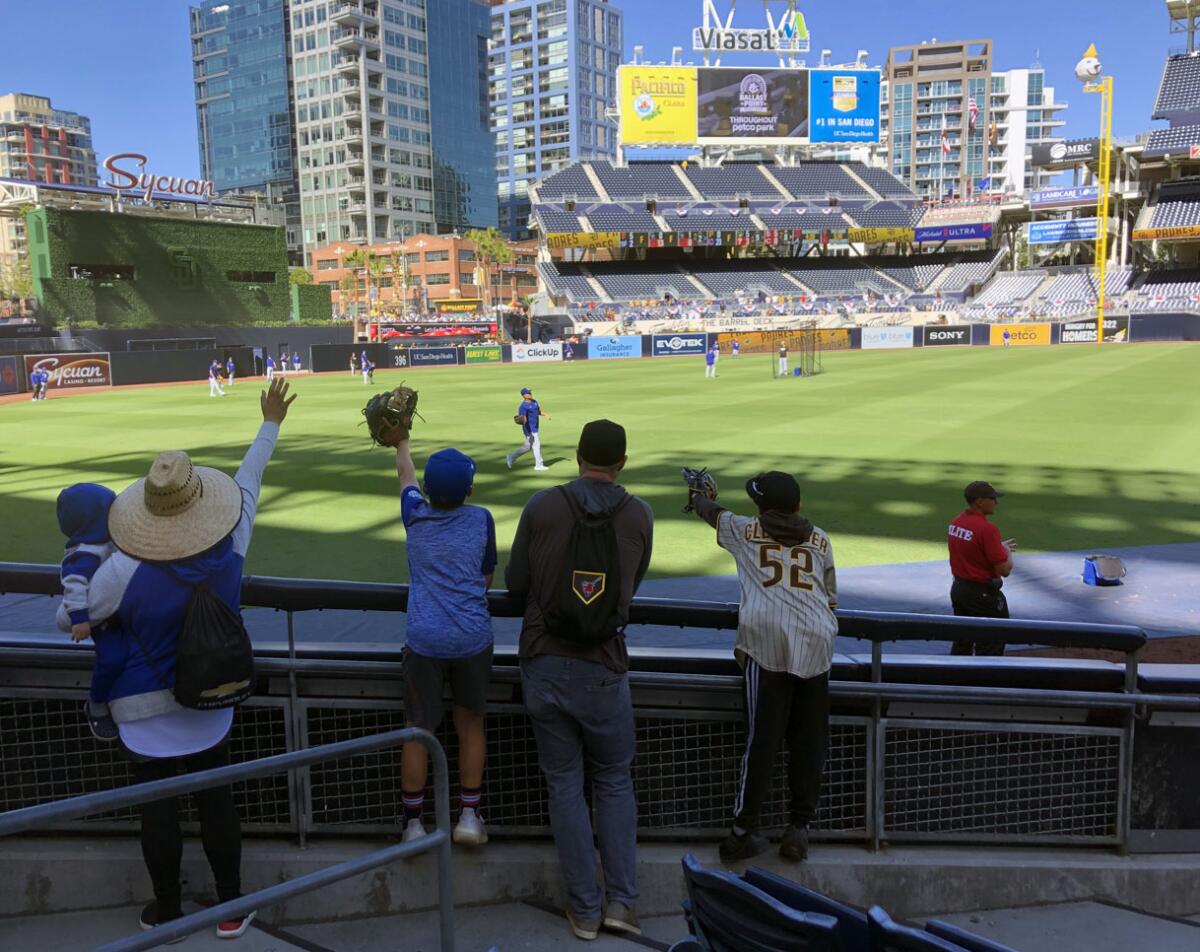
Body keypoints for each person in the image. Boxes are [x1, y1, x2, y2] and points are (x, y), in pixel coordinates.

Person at [54, 377, 295, 940]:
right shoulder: (231, 543)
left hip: (138, 709)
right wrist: (270, 423)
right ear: (197, 499)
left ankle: (167, 912)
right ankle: (230, 909)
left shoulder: (122, 569)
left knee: (156, 809)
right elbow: (250, 478)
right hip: (212, 696)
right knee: (216, 798)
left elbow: (71, 620)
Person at [506, 419, 653, 940]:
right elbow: (630, 587)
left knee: (565, 784)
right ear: (622, 463)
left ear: (576, 456)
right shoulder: (638, 513)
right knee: (613, 782)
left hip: (544, 659)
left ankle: (585, 910)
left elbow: (515, 582)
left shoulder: (543, 506)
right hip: (603, 664)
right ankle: (623, 904)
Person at [687, 471, 838, 865]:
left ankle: (741, 833)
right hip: (818, 644)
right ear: (799, 506)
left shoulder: (744, 529)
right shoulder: (820, 539)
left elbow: (712, 512)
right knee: (809, 742)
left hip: (766, 645)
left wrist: (697, 495)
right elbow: (831, 598)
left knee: (762, 741)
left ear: (760, 507)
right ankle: (799, 830)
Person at [375, 426, 497, 848]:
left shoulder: (416, 514)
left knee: (418, 729)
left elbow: (405, 476)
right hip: (471, 638)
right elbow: (485, 578)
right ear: (469, 488)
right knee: (470, 725)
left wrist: (402, 442)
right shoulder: (481, 518)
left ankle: (412, 825)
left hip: (424, 639)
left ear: (429, 489)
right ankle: (468, 817)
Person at [57, 482, 122, 742]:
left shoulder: (104, 542)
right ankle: (96, 703)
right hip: (101, 622)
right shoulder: (84, 553)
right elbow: (73, 585)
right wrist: (80, 619)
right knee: (113, 659)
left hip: (119, 613)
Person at [947, 481, 1017, 656]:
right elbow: (1004, 570)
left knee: (962, 640)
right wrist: (1007, 552)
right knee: (992, 641)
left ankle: (953, 679)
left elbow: (971, 549)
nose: (996, 502)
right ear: (979, 501)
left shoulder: (956, 523)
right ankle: (985, 680)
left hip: (959, 590)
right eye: (992, 498)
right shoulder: (987, 529)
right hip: (982, 595)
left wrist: (996, 547)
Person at [506, 387, 552, 472]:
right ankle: (539, 465)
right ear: (524, 395)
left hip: (535, 427)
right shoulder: (523, 407)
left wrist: (545, 414)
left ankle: (511, 457)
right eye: (528, 393)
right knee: (536, 445)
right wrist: (523, 421)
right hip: (529, 429)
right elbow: (522, 420)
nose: (530, 394)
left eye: (530, 392)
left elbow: (538, 411)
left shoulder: (534, 402)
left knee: (527, 447)